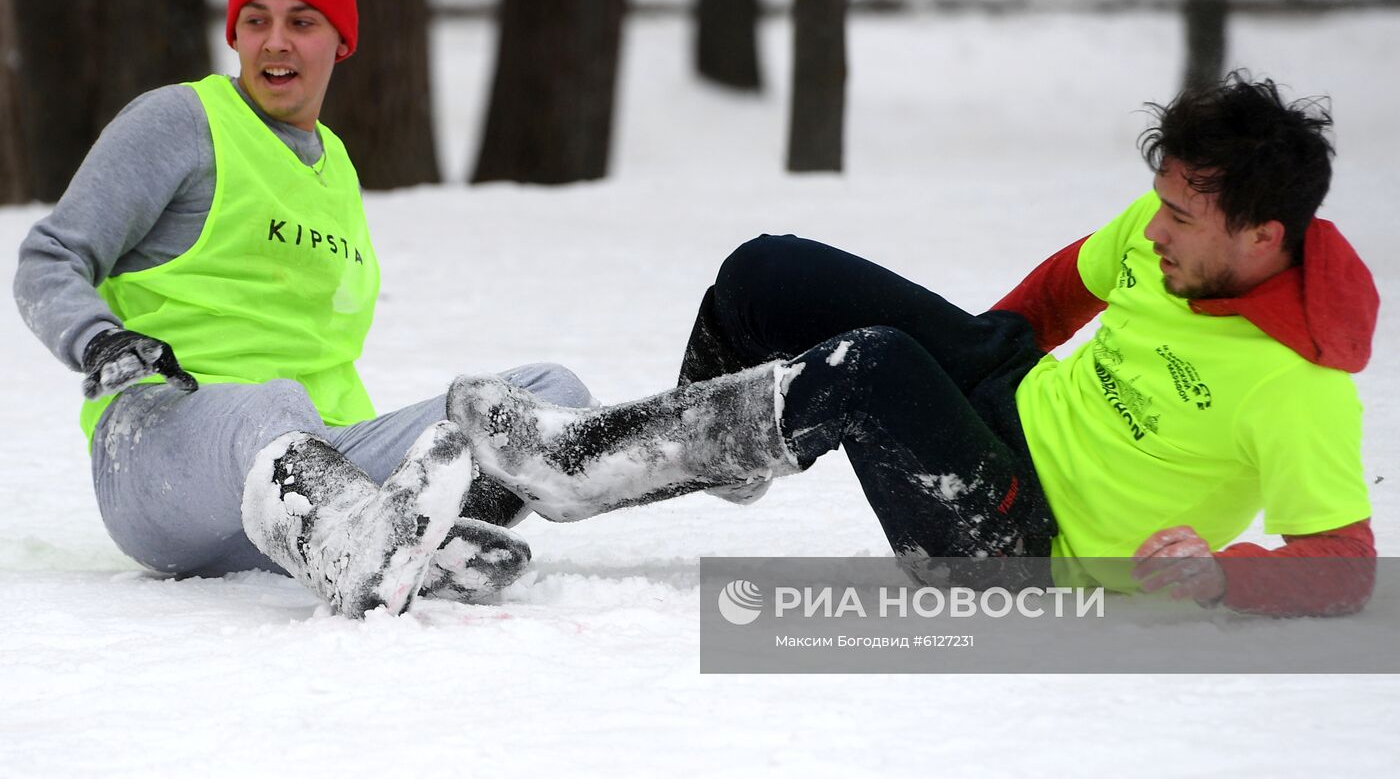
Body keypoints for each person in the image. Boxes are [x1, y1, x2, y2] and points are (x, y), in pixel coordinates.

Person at [444, 73, 1378, 617]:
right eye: (1161, 203)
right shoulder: (1164, 232)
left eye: (1181, 216)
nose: (1156, 230)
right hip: (1008, 410)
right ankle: (712, 448)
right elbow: (1065, 287)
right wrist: (974, 355)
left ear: (1263, 237)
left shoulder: (1300, 385)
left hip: (1024, 549)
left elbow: (1342, 562)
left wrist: (1224, 576)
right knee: (767, 271)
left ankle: (578, 470)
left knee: (874, 367)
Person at [13, 0, 588, 618]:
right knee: (271, 404)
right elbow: (49, 257)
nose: (274, 42)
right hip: (161, 460)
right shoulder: (183, 123)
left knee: (541, 394)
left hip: (314, 477)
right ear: (234, 33)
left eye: (302, 22)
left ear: (341, 40)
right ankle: (373, 541)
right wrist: (100, 339)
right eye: (255, 20)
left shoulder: (337, 165)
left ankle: (427, 528)